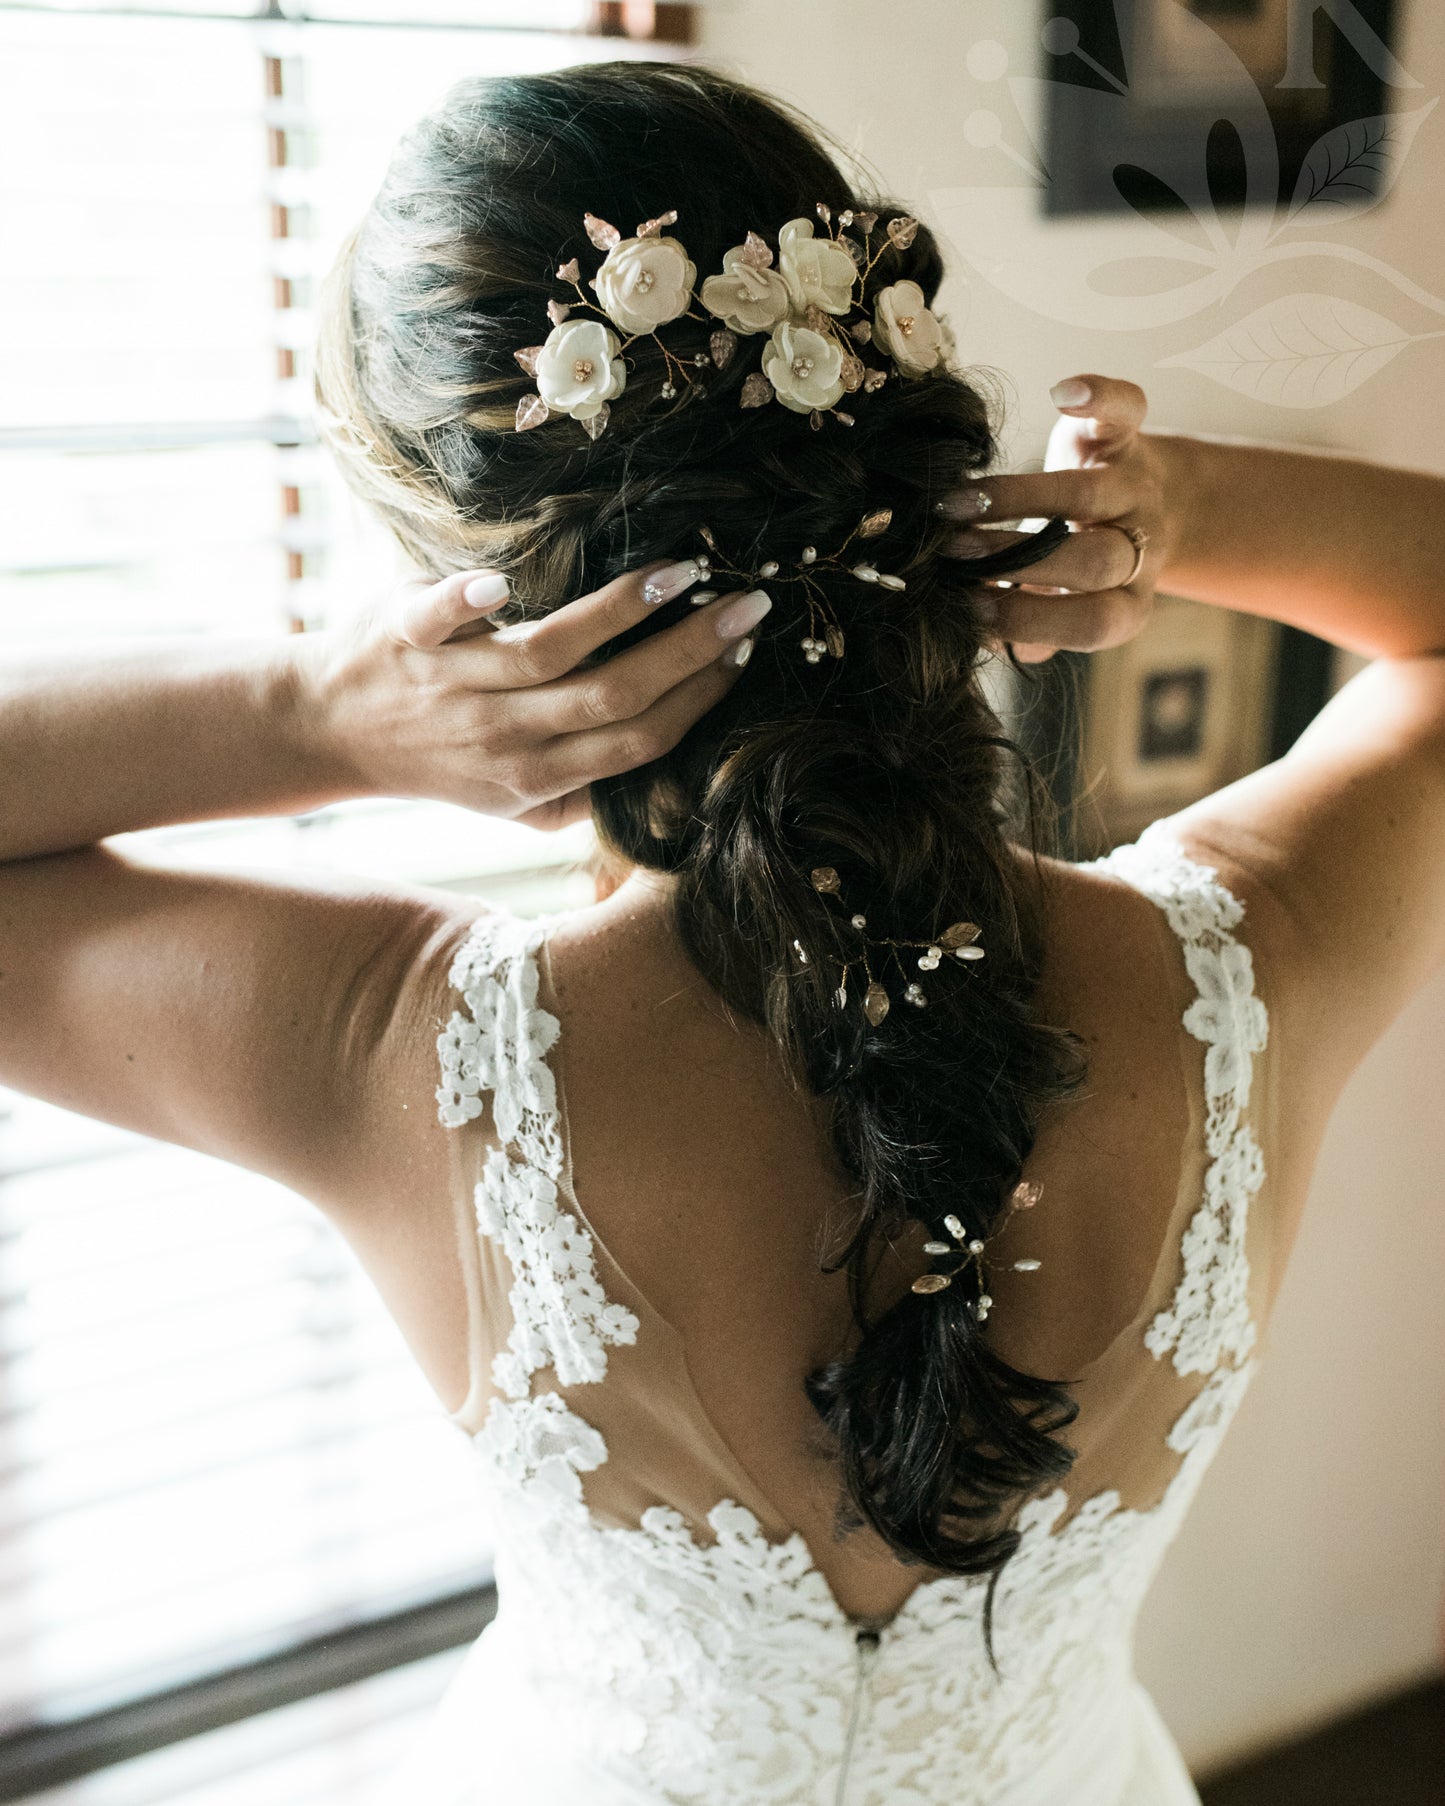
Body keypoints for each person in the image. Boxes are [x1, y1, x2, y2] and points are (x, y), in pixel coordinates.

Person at [1, 60, 1442, 1806]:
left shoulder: (400, 1057)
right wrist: (1185, 506)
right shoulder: (1246, 978)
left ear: (471, 595)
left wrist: (311, 711)